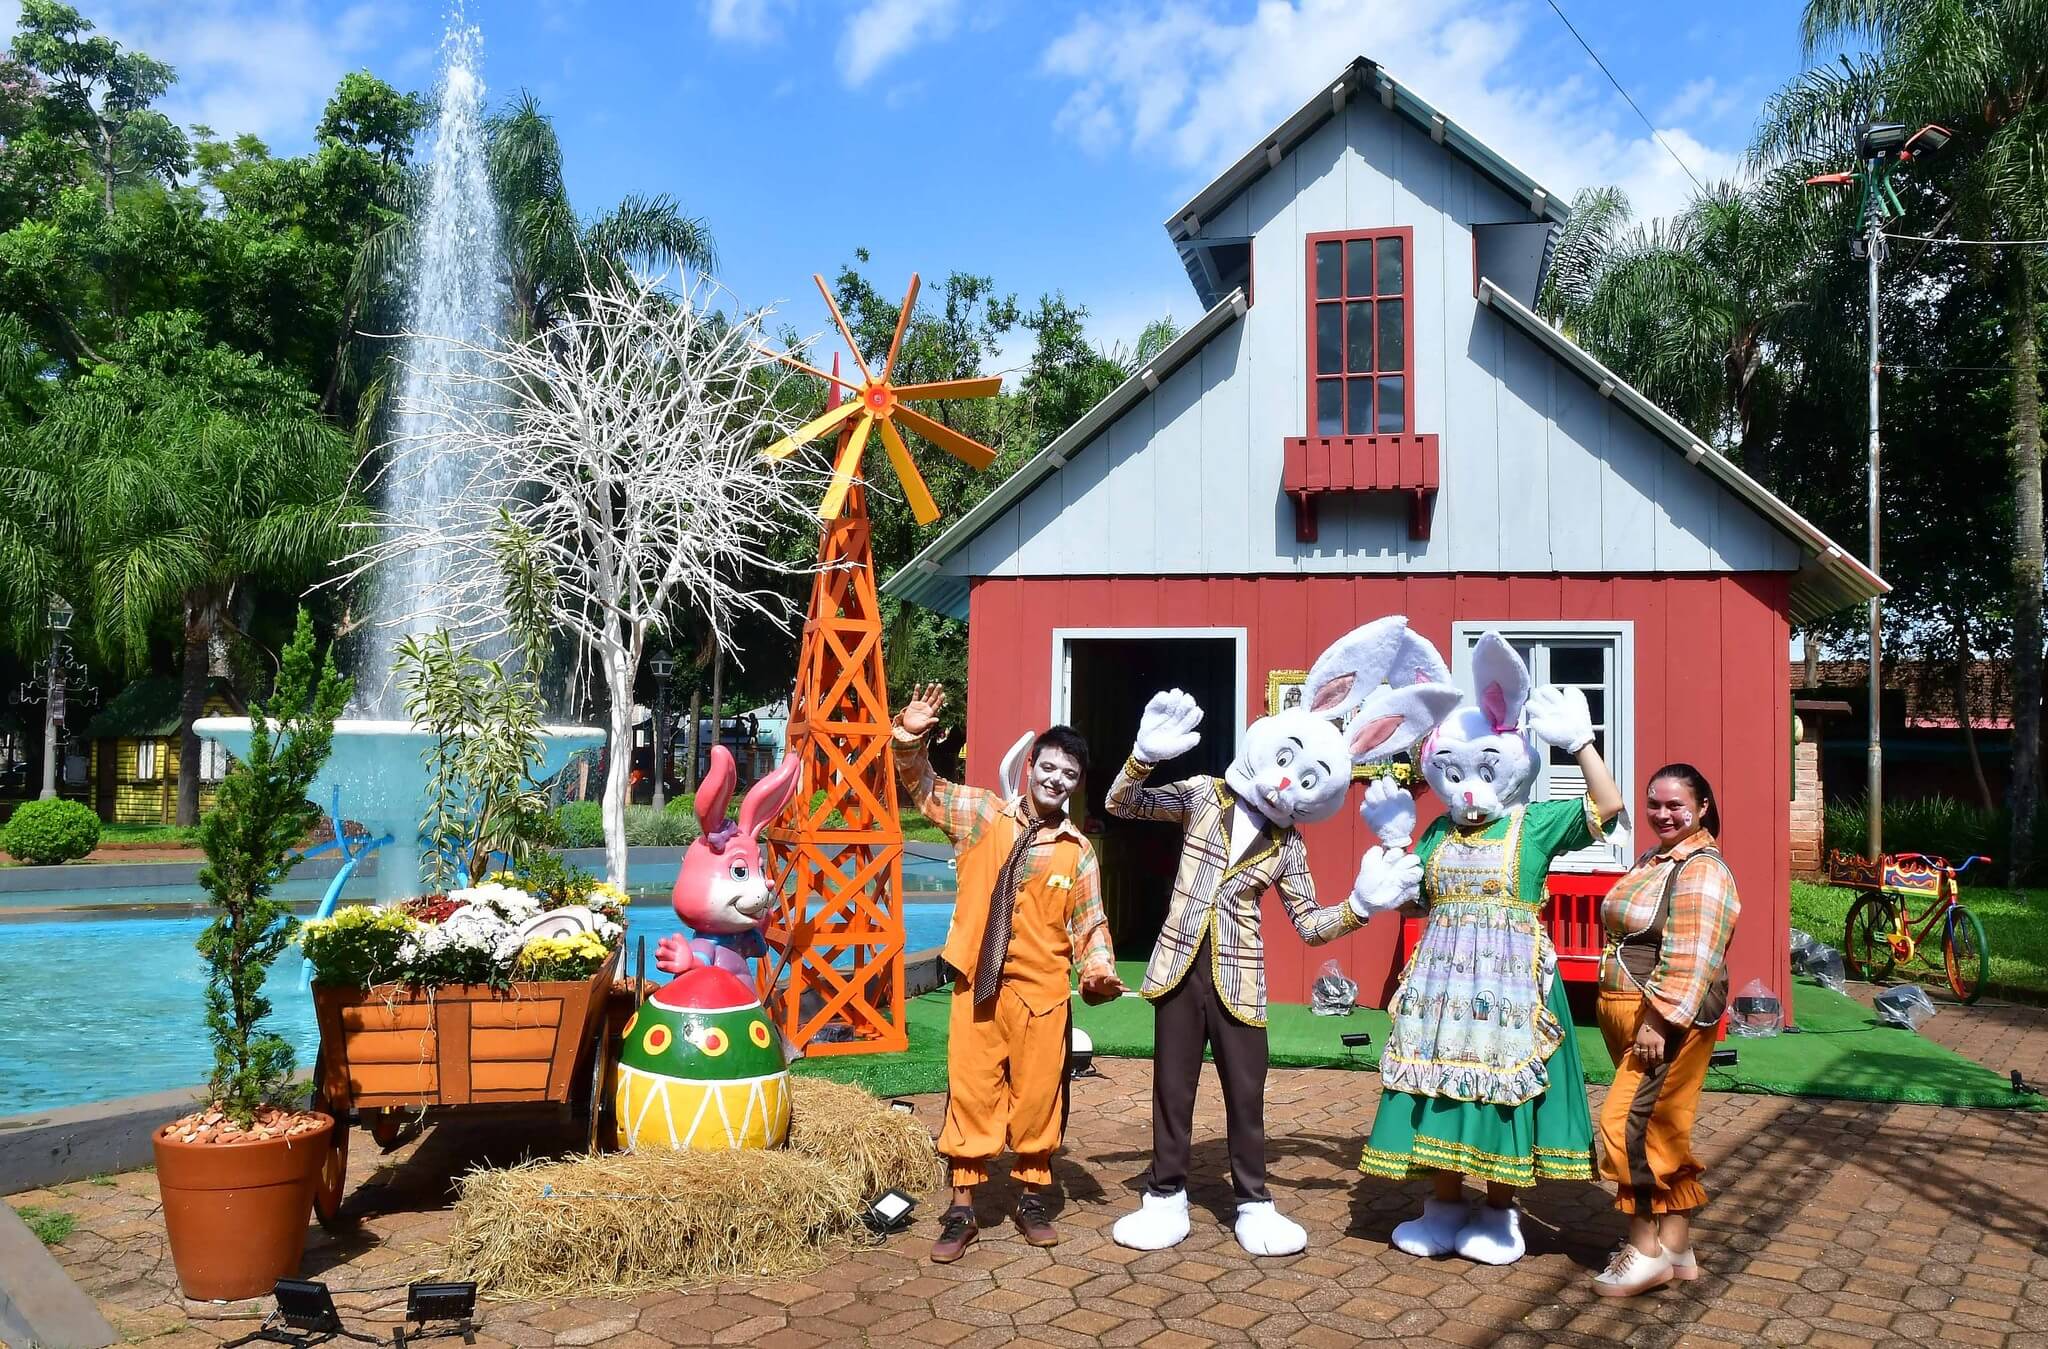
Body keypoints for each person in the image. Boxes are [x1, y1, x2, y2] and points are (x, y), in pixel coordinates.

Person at [892, 683, 1127, 1263]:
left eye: (1068, 774)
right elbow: (920, 786)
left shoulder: (1077, 851)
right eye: (1048, 766)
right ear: (1030, 766)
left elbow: (1091, 925)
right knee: (970, 1094)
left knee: (1037, 1100)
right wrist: (909, 736)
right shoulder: (979, 815)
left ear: (1076, 783)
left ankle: (1030, 1200)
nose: (1055, 779)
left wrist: (1097, 972)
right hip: (978, 987)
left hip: (1043, 997)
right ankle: (962, 1209)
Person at [1590, 763, 1739, 1297]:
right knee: (1663, 1127)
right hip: (1633, 1012)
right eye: (1654, 803)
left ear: (1702, 806)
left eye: (1676, 805)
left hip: (1662, 1020)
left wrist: (1657, 1019)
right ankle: (1676, 1243)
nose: (1663, 814)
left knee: (1626, 1125)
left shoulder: (1701, 868)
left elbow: (1692, 955)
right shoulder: (1659, 858)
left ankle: (1645, 1250)